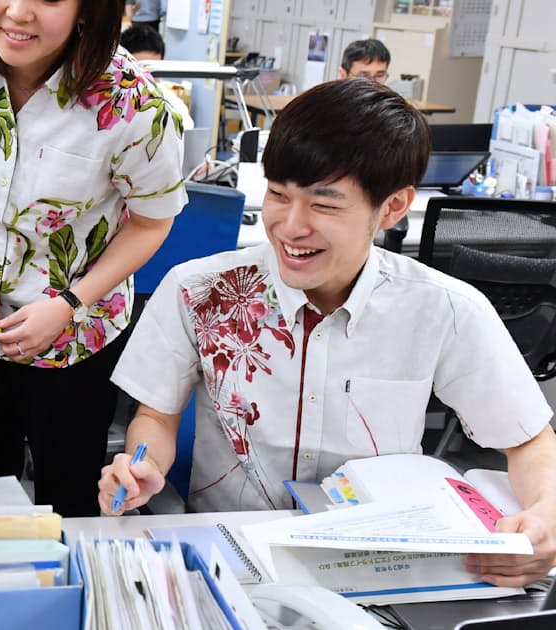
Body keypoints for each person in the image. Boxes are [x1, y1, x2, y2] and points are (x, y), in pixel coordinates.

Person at [99, 79, 556, 587]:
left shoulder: (445, 310)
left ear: (393, 207)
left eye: (325, 204)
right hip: (235, 556)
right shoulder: (197, 290)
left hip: (379, 565)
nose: (291, 226)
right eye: (277, 194)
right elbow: (155, 419)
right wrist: (141, 466)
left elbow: (531, 443)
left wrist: (546, 515)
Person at [0, 0, 186, 517]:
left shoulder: (135, 104)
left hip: (76, 329)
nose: (17, 13)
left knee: (70, 495)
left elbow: (153, 222)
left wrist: (67, 303)